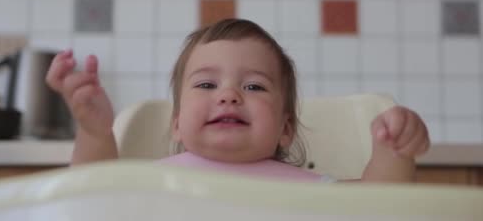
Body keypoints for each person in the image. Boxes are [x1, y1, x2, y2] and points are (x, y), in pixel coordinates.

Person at [46, 18, 429, 183]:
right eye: (207, 85)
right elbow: (92, 195)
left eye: (254, 87)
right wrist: (95, 131)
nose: (228, 95)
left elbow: (380, 207)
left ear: (285, 128)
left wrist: (394, 150)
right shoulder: (154, 181)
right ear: (177, 122)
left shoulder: (307, 189)